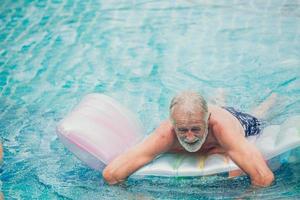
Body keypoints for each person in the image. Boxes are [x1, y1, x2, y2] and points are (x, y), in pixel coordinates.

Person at [103, 91, 277, 187]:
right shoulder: (165, 134)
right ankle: (218, 96)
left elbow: (263, 177)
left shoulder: (223, 130)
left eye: (196, 129)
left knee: (259, 114)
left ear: (207, 121)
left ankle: (272, 99)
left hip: (236, 120)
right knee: (203, 108)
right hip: (204, 113)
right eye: (182, 130)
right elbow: (112, 174)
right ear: (172, 124)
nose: (190, 137)